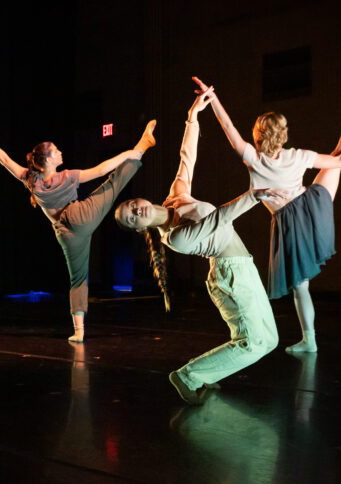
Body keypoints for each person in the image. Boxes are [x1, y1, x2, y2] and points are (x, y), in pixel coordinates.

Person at [115, 85, 284, 405]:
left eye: (131, 205)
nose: (135, 211)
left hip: (238, 269)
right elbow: (218, 219)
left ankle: (203, 374)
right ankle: (188, 376)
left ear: (139, 199)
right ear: (138, 228)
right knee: (257, 342)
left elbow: (186, 157)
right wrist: (255, 194)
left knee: (261, 340)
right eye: (131, 218)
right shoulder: (176, 237)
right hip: (230, 275)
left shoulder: (176, 196)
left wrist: (192, 117)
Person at [193, 76, 341, 353]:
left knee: (301, 287)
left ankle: (310, 340)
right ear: (283, 134)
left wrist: (212, 98)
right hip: (313, 205)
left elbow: (228, 127)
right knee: (334, 160)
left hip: (292, 222)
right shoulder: (298, 155)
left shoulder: (253, 159)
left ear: (258, 135)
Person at [0, 119, 156, 342]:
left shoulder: (31, 180)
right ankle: (142, 146)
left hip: (66, 235)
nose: (60, 152)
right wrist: (130, 154)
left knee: (77, 279)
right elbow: (102, 169)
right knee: (112, 185)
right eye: (56, 150)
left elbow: (5, 161)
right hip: (80, 217)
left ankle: (79, 331)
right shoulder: (66, 176)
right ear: (47, 159)